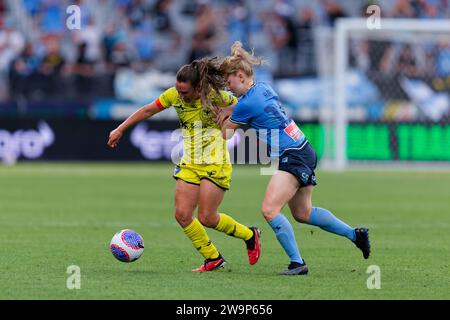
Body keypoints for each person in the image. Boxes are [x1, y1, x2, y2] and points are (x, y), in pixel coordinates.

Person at [217, 42, 370, 275]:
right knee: (303, 213)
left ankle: (297, 263)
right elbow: (247, 108)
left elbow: (225, 134)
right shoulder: (265, 87)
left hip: (293, 155)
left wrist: (219, 114)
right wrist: (232, 109)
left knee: (269, 210)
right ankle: (355, 234)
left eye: (229, 83)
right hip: (303, 148)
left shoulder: (246, 104)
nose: (229, 89)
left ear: (240, 76)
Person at [107, 57, 261, 272]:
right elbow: (147, 110)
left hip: (215, 162)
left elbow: (247, 104)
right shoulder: (173, 95)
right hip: (189, 162)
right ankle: (212, 258)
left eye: (185, 92)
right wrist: (120, 129)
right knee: (182, 215)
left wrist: (230, 112)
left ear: (198, 88)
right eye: (178, 91)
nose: (180, 96)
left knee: (207, 217)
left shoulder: (215, 96)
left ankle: (249, 235)